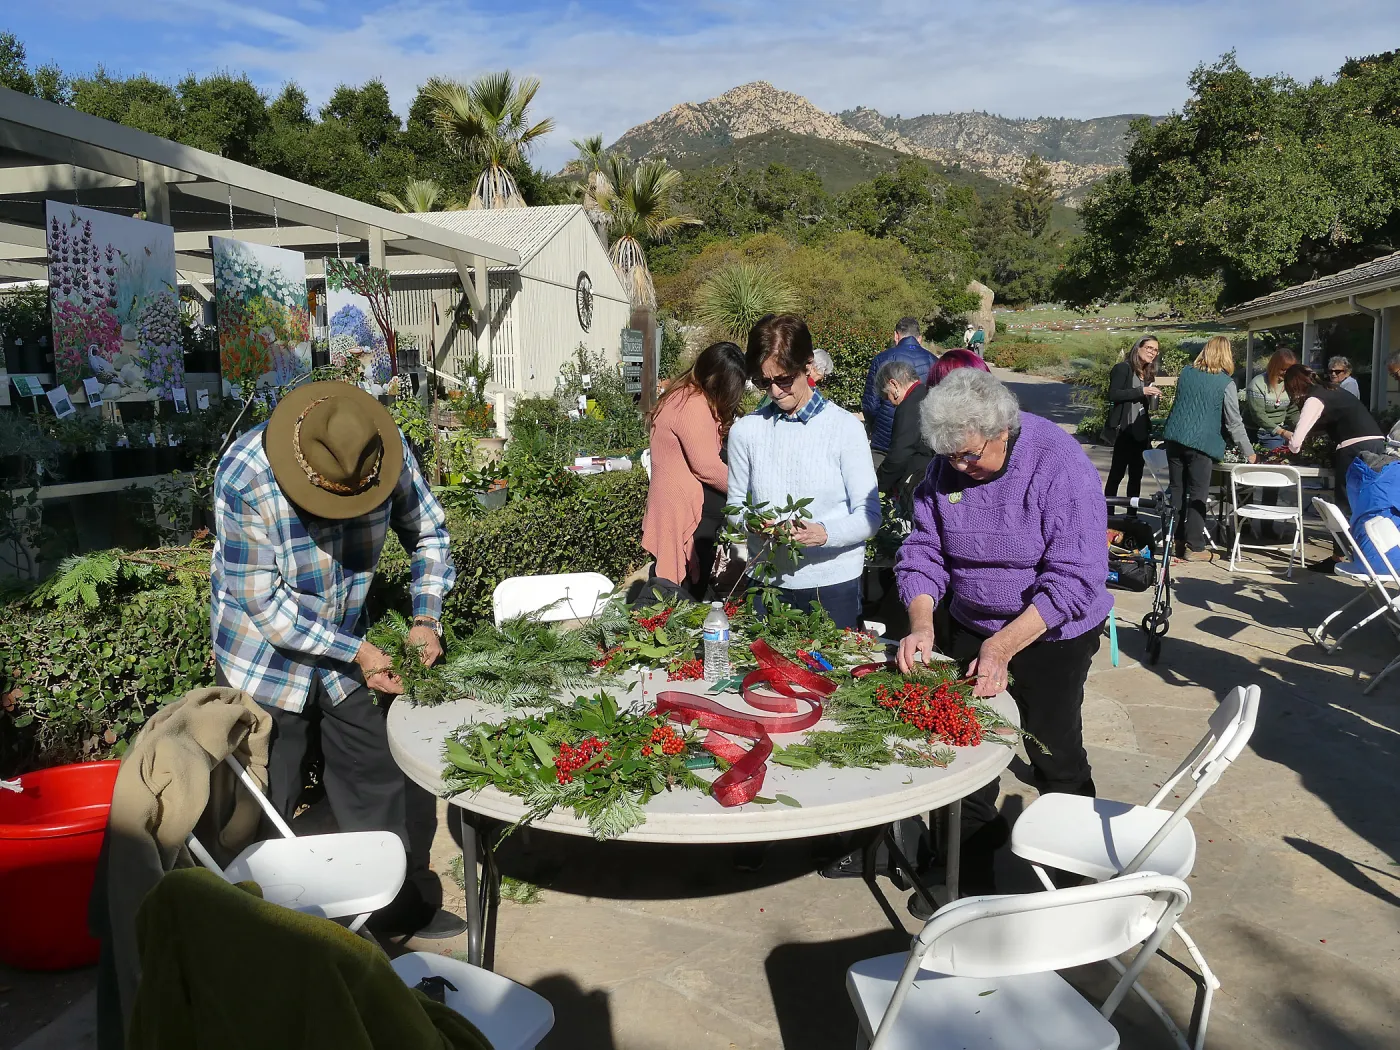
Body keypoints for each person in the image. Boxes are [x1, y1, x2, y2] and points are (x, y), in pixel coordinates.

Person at [210, 381, 460, 938]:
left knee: (377, 775)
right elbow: (265, 605)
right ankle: (271, 935)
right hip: (265, 660)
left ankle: (389, 913)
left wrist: (425, 618)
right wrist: (362, 652)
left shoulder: (380, 449)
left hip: (349, 640)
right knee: (268, 799)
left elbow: (430, 536)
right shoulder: (246, 475)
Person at [896, 368, 1111, 906]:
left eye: (970, 456)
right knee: (967, 754)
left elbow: (1077, 577)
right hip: (972, 622)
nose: (960, 469)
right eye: (950, 458)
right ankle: (963, 881)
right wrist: (923, 622)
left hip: (1050, 632)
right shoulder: (946, 469)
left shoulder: (1057, 463)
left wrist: (1004, 644)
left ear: (1004, 431)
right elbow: (923, 552)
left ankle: (1073, 880)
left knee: (1053, 752)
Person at [728, 314, 880, 628]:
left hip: (832, 584)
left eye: (783, 379)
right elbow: (734, 507)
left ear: (807, 366)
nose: (774, 392)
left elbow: (869, 515)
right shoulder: (745, 432)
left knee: (830, 675)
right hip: (767, 581)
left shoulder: (844, 429)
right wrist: (753, 522)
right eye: (763, 382)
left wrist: (824, 533)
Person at [641, 342, 747, 598]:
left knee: (675, 583)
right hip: (686, 509)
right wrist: (750, 491)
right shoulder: (693, 404)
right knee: (676, 589)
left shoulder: (682, 394)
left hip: (676, 504)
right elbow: (707, 467)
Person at [1161, 336, 1255, 561]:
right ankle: (1195, 547)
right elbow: (1233, 422)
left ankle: (1173, 540)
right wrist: (1249, 452)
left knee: (1176, 490)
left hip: (1174, 439)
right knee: (1197, 495)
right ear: (1226, 355)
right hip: (1201, 443)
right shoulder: (1226, 383)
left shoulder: (1186, 373)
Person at [1285, 363, 1385, 570]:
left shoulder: (1314, 398)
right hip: (1376, 443)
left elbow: (1296, 443)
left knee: (1344, 504)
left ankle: (1339, 558)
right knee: (1367, 502)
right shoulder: (1333, 390)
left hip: (1354, 448)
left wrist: (1289, 441)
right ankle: (1374, 554)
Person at [862, 316, 935, 464]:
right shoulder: (934, 361)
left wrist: (873, 428)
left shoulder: (881, 359)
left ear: (896, 335)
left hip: (885, 439)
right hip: (920, 440)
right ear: (919, 338)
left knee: (880, 483)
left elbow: (870, 404)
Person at [1103, 336, 1163, 502]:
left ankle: (1132, 516)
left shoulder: (1148, 374)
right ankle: (1108, 516)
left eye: (1155, 350)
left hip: (1140, 430)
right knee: (1117, 474)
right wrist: (1142, 391)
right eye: (1149, 348)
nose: (1152, 352)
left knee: (1136, 477)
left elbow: (1141, 398)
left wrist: (1152, 396)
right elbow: (1113, 394)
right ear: (1138, 348)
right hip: (1124, 430)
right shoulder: (1123, 368)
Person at [874, 359, 932, 514]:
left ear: (894, 385)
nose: (890, 403)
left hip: (920, 476)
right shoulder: (925, 392)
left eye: (887, 396)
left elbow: (899, 454)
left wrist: (878, 485)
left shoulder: (909, 406)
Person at [1247, 348, 1299, 451]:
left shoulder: (1290, 384)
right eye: (1283, 369)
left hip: (1282, 430)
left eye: (1289, 370)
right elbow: (1259, 416)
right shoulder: (1258, 384)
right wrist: (1282, 432)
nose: (1286, 373)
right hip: (1261, 431)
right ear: (1274, 367)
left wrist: (1301, 427)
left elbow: (1292, 411)